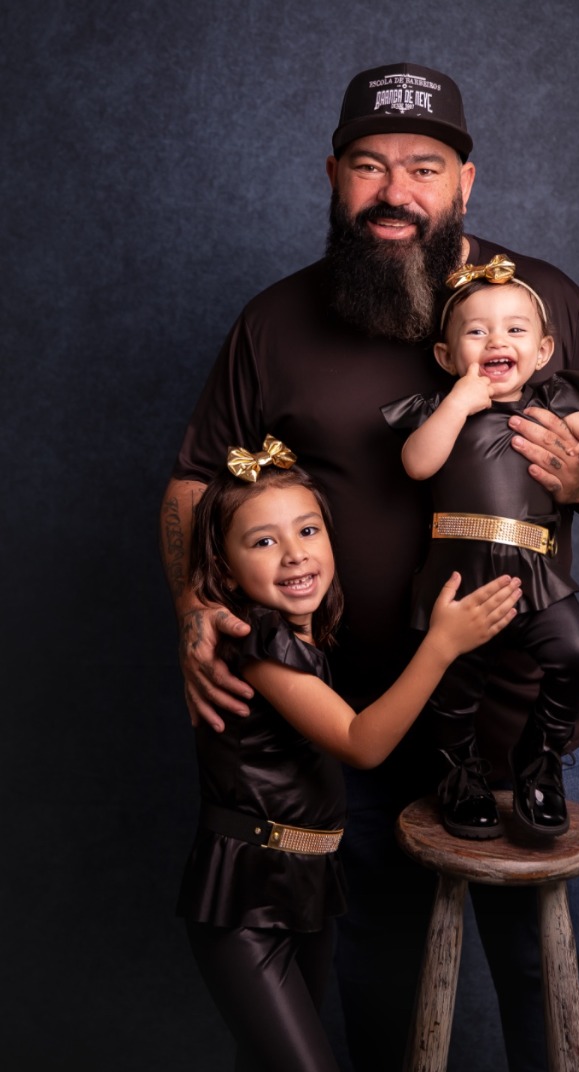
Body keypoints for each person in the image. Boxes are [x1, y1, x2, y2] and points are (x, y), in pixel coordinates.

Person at [160, 61, 579, 1072]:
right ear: (332, 174)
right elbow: (194, 483)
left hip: (520, 726)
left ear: (465, 182)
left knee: (548, 976)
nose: (395, 192)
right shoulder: (275, 323)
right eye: (369, 165)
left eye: (423, 167)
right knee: (377, 978)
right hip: (356, 732)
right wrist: (190, 605)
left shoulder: (540, 300)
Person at [177, 437, 521, 1072]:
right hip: (245, 899)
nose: (295, 553)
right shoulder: (258, 644)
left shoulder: (304, 637)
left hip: (304, 883)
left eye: (308, 530)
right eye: (263, 541)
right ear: (224, 570)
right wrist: (442, 646)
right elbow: (362, 744)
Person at [382, 265, 579, 840]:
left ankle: (539, 756)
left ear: (543, 351)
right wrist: (458, 403)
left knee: (577, 651)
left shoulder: (556, 401)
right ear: (447, 355)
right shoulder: (440, 407)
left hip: (532, 571)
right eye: (477, 332)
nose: (497, 340)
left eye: (515, 330)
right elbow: (417, 463)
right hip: (461, 574)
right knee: (455, 680)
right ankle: (460, 772)